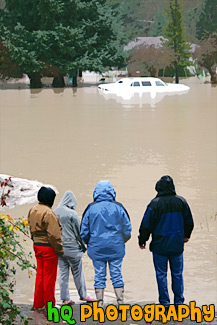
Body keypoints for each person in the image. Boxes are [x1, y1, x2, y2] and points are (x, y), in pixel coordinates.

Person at [138, 175, 194, 308]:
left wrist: (142, 240)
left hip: (159, 246)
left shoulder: (154, 204)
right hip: (176, 245)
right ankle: (179, 302)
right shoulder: (181, 202)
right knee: (177, 274)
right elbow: (189, 222)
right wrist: (186, 236)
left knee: (161, 274)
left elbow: (146, 225)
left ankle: (165, 303)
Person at [80, 180, 132, 307]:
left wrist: (89, 243)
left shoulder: (90, 208)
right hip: (116, 247)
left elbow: (84, 231)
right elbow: (127, 229)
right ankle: (120, 303)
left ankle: (100, 303)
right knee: (116, 274)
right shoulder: (119, 207)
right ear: (112, 192)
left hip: (96, 247)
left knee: (99, 275)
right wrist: (121, 241)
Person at [54, 191, 94, 306]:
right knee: (78, 272)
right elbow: (78, 233)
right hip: (73, 248)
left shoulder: (54, 212)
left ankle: (65, 299)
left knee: (63, 273)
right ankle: (83, 295)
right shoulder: (72, 214)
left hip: (60, 248)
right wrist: (83, 246)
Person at [28, 186, 64, 309]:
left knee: (40, 275)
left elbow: (31, 229)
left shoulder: (33, 210)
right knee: (49, 277)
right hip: (48, 247)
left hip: (37, 245)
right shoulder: (49, 213)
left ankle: (38, 304)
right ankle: (50, 306)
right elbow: (54, 234)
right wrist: (60, 249)